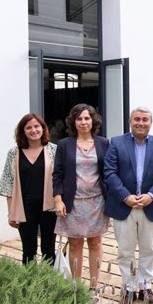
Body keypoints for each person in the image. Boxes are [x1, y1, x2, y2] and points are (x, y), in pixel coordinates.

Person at [103, 107, 153, 304]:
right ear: (130, 121)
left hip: (150, 206)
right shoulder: (116, 143)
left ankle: (146, 286)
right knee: (125, 250)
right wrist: (126, 196)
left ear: (151, 122)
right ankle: (129, 288)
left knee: (148, 249)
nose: (141, 123)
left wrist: (151, 195)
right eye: (137, 119)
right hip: (124, 206)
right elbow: (109, 172)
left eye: (145, 119)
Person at [53, 104, 110, 289]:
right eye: (79, 118)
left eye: (87, 118)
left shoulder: (103, 143)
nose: (83, 122)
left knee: (95, 242)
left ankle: (94, 285)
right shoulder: (64, 144)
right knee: (75, 244)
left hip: (97, 201)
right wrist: (58, 199)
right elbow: (58, 174)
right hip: (73, 203)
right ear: (73, 122)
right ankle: (76, 287)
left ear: (93, 120)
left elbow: (109, 172)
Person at [0, 113, 57, 265]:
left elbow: (61, 180)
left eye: (37, 126)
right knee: (28, 250)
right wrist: (11, 213)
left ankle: (49, 284)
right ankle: (30, 284)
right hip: (24, 209)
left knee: (48, 250)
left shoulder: (54, 150)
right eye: (28, 127)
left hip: (49, 209)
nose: (33, 130)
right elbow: (8, 182)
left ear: (43, 129)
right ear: (23, 131)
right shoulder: (14, 153)